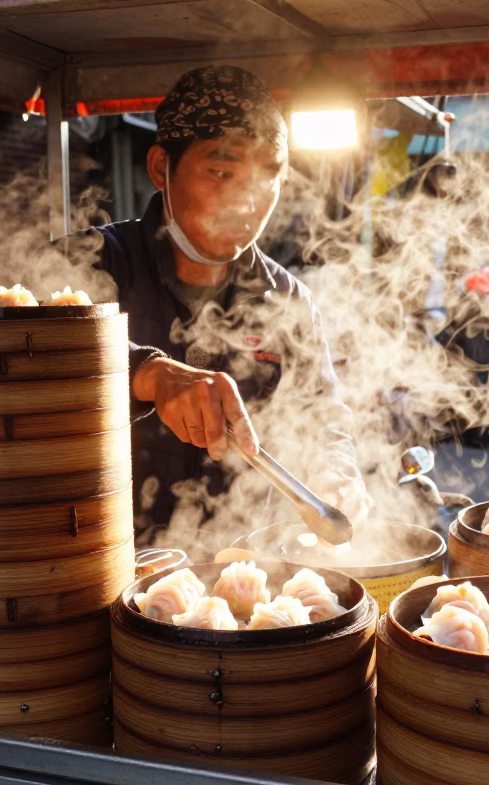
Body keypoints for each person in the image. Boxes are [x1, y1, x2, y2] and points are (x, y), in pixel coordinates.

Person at [100, 66, 371, 539]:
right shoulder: (93, 263)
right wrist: (147, 372)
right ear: (162, 166)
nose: (249, 201)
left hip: (240, 570)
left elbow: (321, 414)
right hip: (107, 564)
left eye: (269, 176)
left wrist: (336, 470)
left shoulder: (287, 297)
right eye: (223, 171)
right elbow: (21, 364)